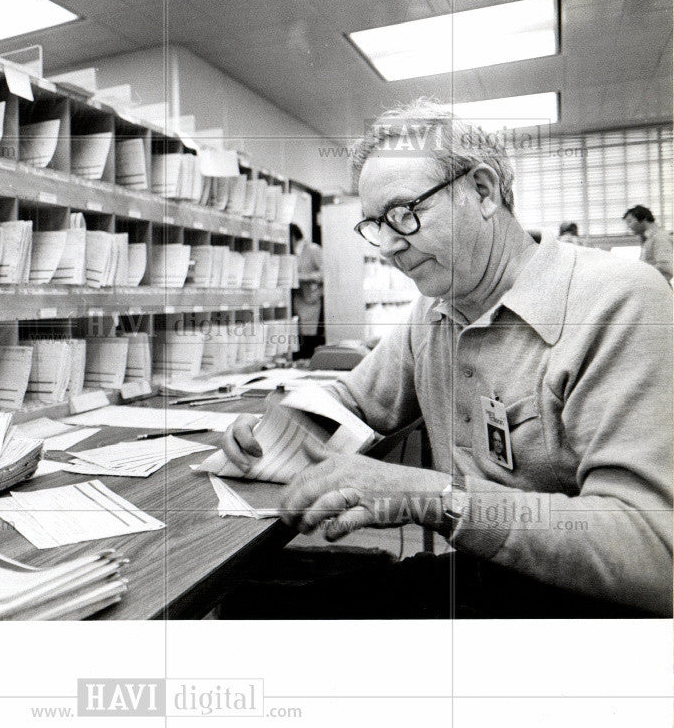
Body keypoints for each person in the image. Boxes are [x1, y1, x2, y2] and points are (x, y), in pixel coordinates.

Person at [222, 100, 673, 618]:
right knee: (255, 610)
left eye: (404, 214)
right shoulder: (437, 311)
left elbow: (654, 549)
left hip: (586, 608)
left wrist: (437, 495)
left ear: (482, 191)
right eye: (375, 224)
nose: (389, 246)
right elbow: (352, 401)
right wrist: (273, 429)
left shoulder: (619, 299)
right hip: (486, 576)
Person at [289, 223, 325, 359]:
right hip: (297, 299)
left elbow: (324, 274)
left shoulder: (312, 249)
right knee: (299, 337)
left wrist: (301, 277)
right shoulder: (292, 252)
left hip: (310, 300)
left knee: (309, 337)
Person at [623, 205, 673, 281]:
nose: (629, 227)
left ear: (644, 219)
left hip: (657, 287)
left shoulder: (660, 237)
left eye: (630, 221)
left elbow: (665, 268)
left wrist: (639, 274)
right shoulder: (648, 240)